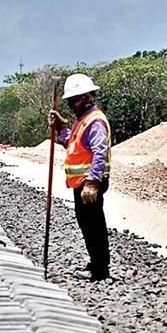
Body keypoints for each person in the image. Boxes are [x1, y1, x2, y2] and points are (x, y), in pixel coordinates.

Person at [49, 74, 112, 281]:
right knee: (88, 225)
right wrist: (61, 127)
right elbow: (73, 144)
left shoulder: (94, 121)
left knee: (94, 226)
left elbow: (99, 152)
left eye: (73, 100)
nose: (70, 105)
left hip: (89, 183)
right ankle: (96, 265)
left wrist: (92, 182)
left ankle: (99, 270)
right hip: (82, 183)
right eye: (68, 102)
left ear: (86, 97)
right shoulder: (82, 121)